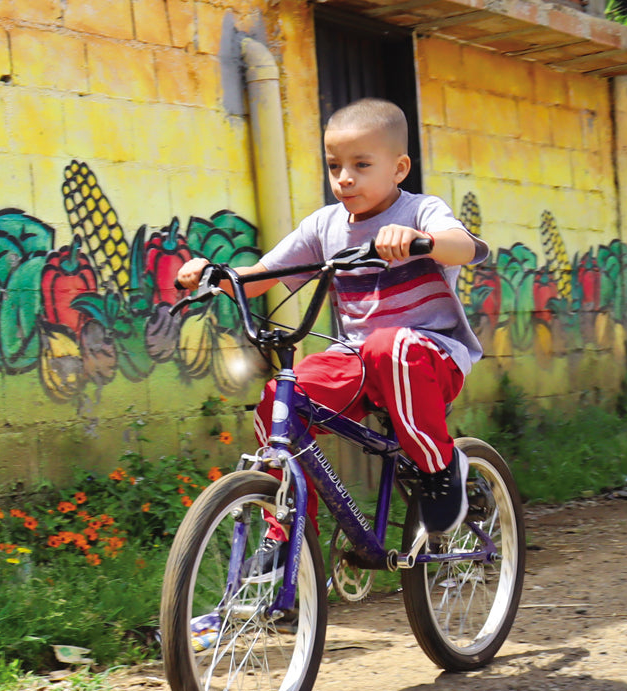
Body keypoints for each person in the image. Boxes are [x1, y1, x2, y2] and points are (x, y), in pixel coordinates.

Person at [177, 97, 489, 569]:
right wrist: (214, 275)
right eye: (334, 165)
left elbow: (463, 247)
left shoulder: (421, 210)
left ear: (399, 167)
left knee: (390, 345)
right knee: (280, 399)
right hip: (360, 361)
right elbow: (263, 275)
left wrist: (417, 242)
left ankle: (440, 467)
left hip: (428, 356)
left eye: (362, 165)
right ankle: (289, 532)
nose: (345, 178)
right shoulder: (324, 225)